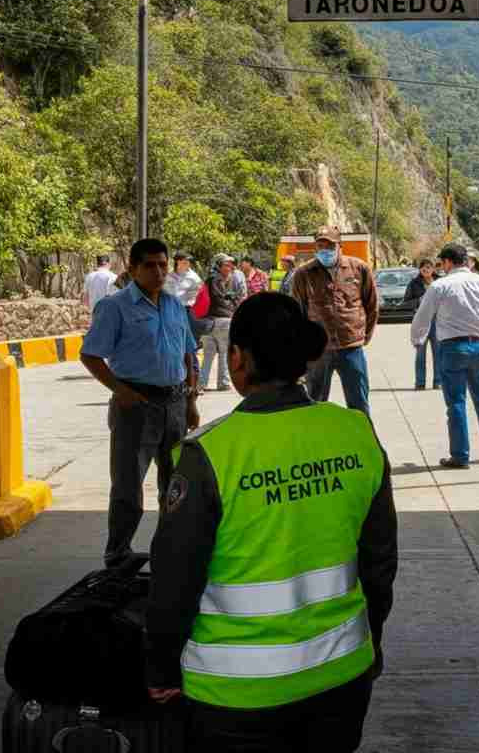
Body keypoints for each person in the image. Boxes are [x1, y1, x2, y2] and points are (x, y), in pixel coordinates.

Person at [145, 292, 399, 753]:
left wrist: (160, 669)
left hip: (235, 693)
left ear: (237, 359)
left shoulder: (208, 455)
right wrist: (371, 644)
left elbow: (173, 581)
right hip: (341, 675)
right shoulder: (356, 432)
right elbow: (379, 563)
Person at [80, 238, 201, 568]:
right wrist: (120, 391)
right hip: (136, 405)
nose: (159, 271)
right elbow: (90, 354)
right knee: (128, 485)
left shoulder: (175, 306)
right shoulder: (115, 307)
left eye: (163, 264)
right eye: (150, 265)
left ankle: (171, 548)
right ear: (132, 269)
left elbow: (189, 353)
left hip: (175, 402)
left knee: (177, 483)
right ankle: (118, 553)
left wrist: (191, 398)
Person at [411, 243, 479, 469]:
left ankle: (460, 455)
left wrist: (418, 340)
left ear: (448, 262)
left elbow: (423, 317)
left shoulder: (439, 285)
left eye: (441, 264)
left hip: (452, 348)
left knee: (456, 403)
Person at [291, 226, 378, 416]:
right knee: (315, 404)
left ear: (340, 245)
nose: (324, 250)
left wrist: (364, 336)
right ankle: (317, 445)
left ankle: (362, 443)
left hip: (351, 348)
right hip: (318, 351)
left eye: (329, 246)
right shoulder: (303, 274)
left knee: (359, 404)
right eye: (320, 245)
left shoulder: (359, 269)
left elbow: (371, 305)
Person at [199, 254, 246, 392]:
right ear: (219, 266)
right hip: (219, 320)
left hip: (214, 320)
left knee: (211, 353)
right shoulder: (215, 280)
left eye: (231, 264)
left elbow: (240, 296)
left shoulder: (229, 278)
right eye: (226, 264)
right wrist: (232, 303)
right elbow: (221, 299)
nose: (230, 267)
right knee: (221, 352)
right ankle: (223, 382)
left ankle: (203, 383)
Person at [404, 259, 441, 390]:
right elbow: (406, 302)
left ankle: (438, 382)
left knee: (438, 353)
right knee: (420, 353)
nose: (426, 270)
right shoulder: (414, 284)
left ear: (433, 269)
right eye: (423, 268)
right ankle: (420, 382)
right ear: (420, 269)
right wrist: (419, 300)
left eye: (428, 268)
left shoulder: (441, 282)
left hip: (438, 322)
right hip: (421, 322)